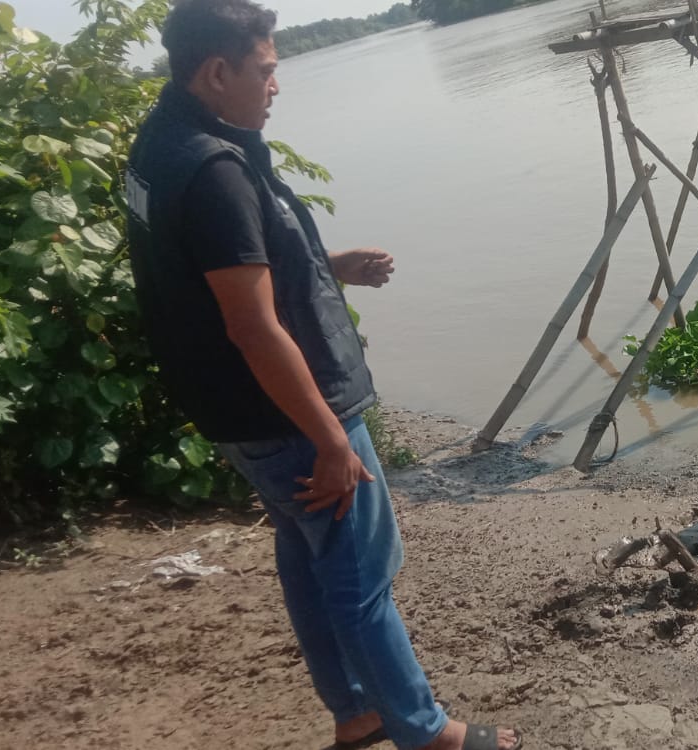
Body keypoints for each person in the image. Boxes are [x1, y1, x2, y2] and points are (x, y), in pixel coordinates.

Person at [124, 2, 520, 748]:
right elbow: (250, 325)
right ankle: (427, 732)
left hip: (238, 414)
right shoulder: (213, 171)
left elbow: (208, 276)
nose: (277, 86)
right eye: (267, 70)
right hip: (286, 412)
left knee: (308, 552)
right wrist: (329, 436)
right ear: (217, 73)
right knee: (362, 571)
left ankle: (358, 711)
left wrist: (325, 268)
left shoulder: (163, 144)